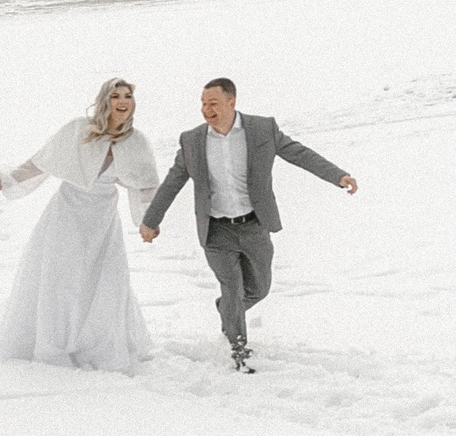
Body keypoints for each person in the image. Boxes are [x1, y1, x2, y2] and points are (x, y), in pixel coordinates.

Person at [140, 76, 359, 372]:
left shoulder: (262, 129)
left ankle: (229, 313)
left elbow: (299, 153)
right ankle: (238, 350)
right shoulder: (192, 140)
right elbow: (172, 182)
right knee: (232, 287)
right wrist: (151, 221)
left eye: (213, 103)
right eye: (203, 104)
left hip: (254, 225)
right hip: (216, 230)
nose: (207, 110)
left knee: (258, 288)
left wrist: (337, 176)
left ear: (232, 102)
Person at [0, 77, 161, 373]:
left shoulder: (137, 142)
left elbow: (146, 187)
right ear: (105, 100)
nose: (122, 102)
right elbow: (40, 163)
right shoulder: (80, 129)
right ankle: (55, 343)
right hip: (67, 214)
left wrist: (148, 222)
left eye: (127, 96)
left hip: (103, 218)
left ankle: (98, 343)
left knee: (107, 280)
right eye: (115, 96)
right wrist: (1, 184)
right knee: (61, 280)